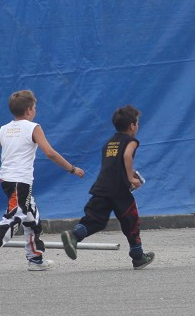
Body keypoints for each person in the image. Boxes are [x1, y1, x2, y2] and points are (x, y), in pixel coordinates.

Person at [0, 90, 86, 274]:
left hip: (7, 181)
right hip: (20, 182)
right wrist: (72, 169)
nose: (35, 110)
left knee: (32, 217)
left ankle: (35, 258)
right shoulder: (33, 127)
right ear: (28, 110)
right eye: (35, 107)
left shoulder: (4, 129)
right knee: (15, 217)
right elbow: (50, 153)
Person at [60, 105, 155, 270]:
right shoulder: (131, 141)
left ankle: (74, 235)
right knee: (130, 220)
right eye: (137, 123)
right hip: (119, 190)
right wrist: (130, 177)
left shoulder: (109, 143)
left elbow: (112, 165)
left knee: (95, 220)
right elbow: (126, 156)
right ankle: (138, 256)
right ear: (132, 125)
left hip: (102, 187)